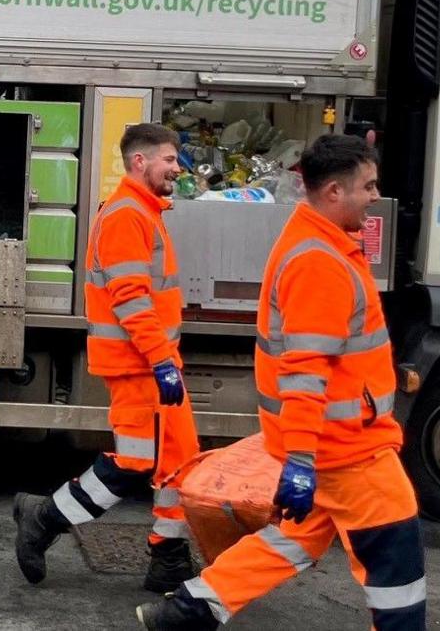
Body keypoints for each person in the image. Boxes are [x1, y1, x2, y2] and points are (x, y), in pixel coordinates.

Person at [137, 134, 424, 630]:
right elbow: (305, 373)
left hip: (336, 445)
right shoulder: (320, 262)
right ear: (334, 192)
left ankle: (187, 611)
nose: (376, 196)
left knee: (292, 540)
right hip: (350, 450)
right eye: (368, 186)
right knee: (395, 559)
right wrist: (302, 461)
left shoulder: (317, 242)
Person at [13, 122, 200, 593]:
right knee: (138, 462)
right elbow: (131, 299)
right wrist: (160, 361)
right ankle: (45, 518)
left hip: (151, 363)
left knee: (178, 460)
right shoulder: (127, 216)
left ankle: (169, 555)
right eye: (169, 159)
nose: (177, 168)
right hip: (141, 366)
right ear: (141, 162)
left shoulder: (142, 212)